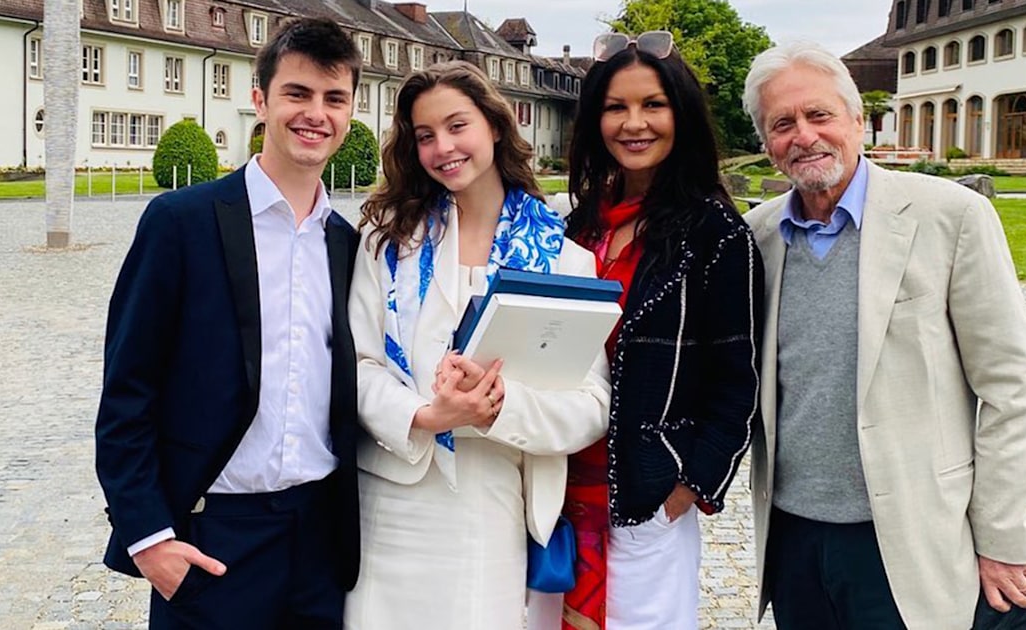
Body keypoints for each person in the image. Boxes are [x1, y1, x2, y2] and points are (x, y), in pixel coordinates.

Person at [740, 41, 1026, 630]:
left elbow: (1015, 389)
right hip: (793, 540)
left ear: (859, 120)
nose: (803, 135)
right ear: (767, 142)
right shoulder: (757, 237)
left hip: (912, 539)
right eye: (782, 123)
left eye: (820, 115)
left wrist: (1004, 534)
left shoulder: (950, 218)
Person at [94, 17, 362, 628]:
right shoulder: (180, 223)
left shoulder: (348, 245)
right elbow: (127, 392)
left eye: (334, 98)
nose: (315, 113)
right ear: (260, 99)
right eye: (297, 93)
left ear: (349, 113)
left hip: (320, 538)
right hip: (215, 533)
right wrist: (148, 538)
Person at [343, 60, 609, 630]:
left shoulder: (565, 260)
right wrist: (425, 413)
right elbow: (357, 367)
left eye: (457, 125)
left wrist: (496, 409)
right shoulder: (386, 242)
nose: (443, 147)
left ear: (495, 123)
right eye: (425, 136)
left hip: (493, 503)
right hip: (392, 498)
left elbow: (591, 407)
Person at [529, 31, 764, 630]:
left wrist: (687, 486)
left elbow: (739, 383)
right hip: (554, 491)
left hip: (644, 493)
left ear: (679, 113)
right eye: (616, 107)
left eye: (652, 105)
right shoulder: (578, 226)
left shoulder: (716, 235)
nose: (634, 123)